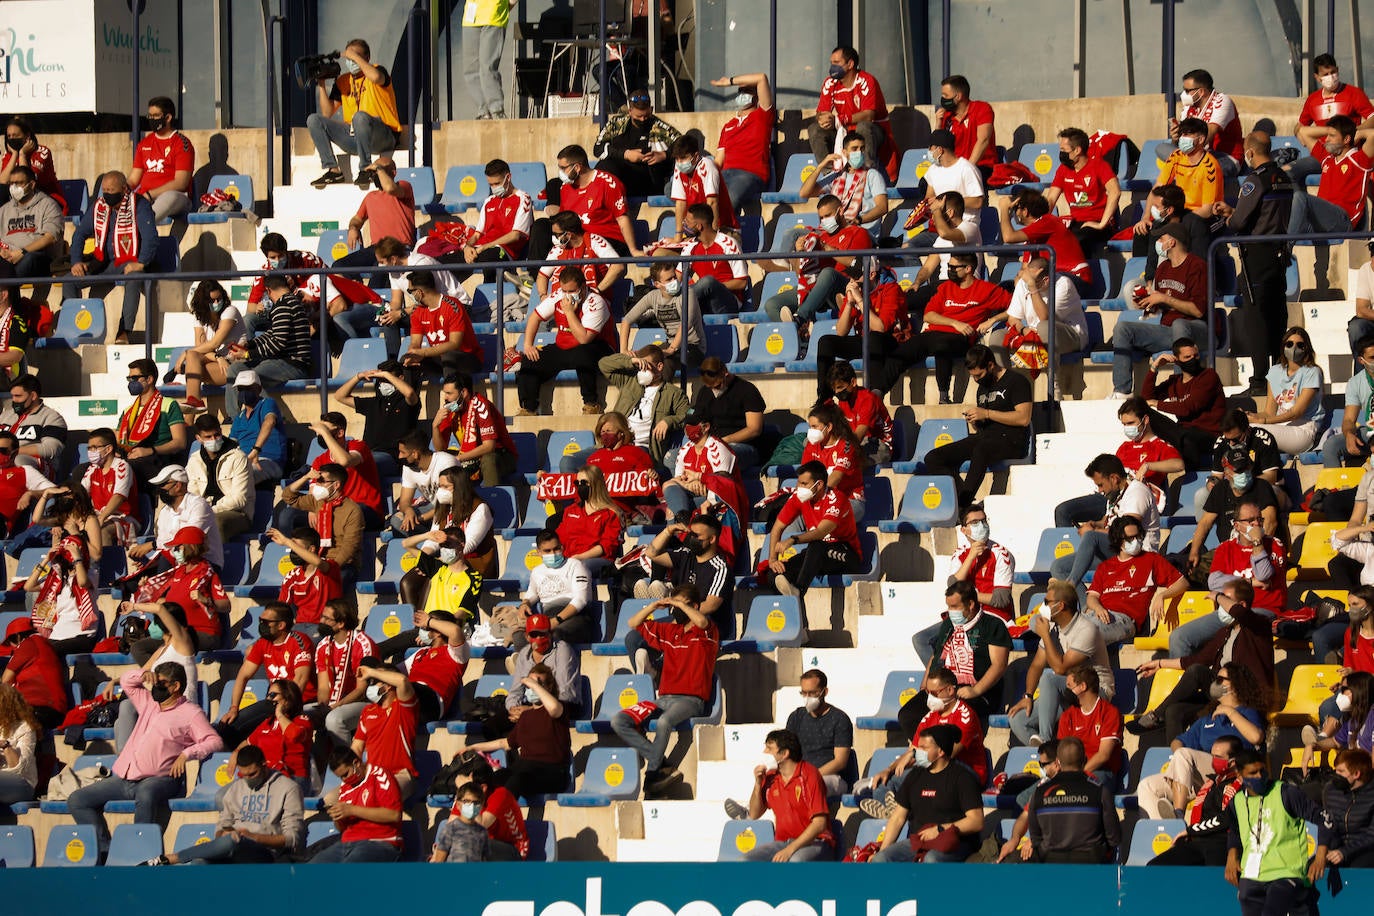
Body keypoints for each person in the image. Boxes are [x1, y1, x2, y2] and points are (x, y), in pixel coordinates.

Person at [67, 662, 222, 857]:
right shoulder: (148, 703)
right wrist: (143, 675)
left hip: (161, 779)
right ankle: (105, 850)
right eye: (154, 682)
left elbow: (214, 741)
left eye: (160, 683)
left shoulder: (191, 713)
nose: (155, 686)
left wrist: (187, 754)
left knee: (145, 792)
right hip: (126, 778)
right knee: (77, 800)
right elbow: (126, 682)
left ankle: (140, 852)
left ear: (175, 686)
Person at [611, 585, 718, 796]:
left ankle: (652, 776)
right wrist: (653, 606)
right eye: (673, 605)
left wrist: (681, 605)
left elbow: (701, 621)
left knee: (664, 721)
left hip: (691, 699)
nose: (675, 609)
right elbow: (633, 623)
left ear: (694, 606)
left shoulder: (707, 631)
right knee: (619, 721)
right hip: (663, 698)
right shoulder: (671, 631)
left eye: (680, 604)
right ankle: (662, 764)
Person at [1135, 587, 1274, 740]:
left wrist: (1218, 596)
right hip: (1221, 692)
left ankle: (1156, 716)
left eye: (1225, 601)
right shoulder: (1225, 632)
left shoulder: (1259, 626)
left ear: (1242, 605)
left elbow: (1240, 613)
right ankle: (1178, 753)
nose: (1220, 607)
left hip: (1246, 694)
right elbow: (1197, 659)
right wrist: (1160, 663)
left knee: (1197, 671)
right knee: (1174, 711)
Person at [1218, 133, 1295, 390]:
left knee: (1257, 319)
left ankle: (1260, 379)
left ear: (1250, 151)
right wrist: (1235, 212)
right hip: (1279, 253)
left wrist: (1230, 217)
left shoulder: (1255, 180)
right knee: (1277, 316)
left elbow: (1240, 222)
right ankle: (1279, 373)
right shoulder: (1282, 177)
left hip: (1258, 255)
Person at [145, 744, 304, 865]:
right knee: (200, 863)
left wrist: (253, 837)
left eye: (252, 774)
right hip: (233, 849)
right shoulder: (237, 787)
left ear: (264, 764)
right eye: (244, 775)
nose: (248, 779)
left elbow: (292, 839)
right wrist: (223, 833)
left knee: (234, 840)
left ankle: (172, 858)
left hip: (266, 853)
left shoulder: (288, 788)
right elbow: (222, 826)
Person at [888, 254, 1012, 405]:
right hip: (934, 334)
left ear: (968, 269)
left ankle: (943, 397)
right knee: (898, 353)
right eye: (948, 266)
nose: (950, 270)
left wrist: (992, 320)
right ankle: (877, 392)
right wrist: (954, 323)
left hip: (960, 338)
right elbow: (928, 315)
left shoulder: (985, 289)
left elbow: (1016, 306)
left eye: (953, 267)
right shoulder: (945, 287)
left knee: (942, 346)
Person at [866, 666, 988, 818]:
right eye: (928, 693)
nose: (930, 698)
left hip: (964, 772)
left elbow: (947, 754)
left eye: (934, 693)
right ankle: (890, 817)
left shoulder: (965, 716)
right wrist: (889, 769)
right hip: (933, 768)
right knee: (884, 782)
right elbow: (912, 751)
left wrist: (914, 756)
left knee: (915, 780)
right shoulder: (930, 717)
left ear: (950, 690)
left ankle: (901, 815)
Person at [1007, 579, 1114, 749]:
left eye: (1047, 602)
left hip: (1095, 690)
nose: (1043, 607)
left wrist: (1045, 635)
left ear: (1061, 605)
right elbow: (1036, 665)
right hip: (1068, 690)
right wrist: (1028, 696)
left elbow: (1060, 668)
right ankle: (1050, 756)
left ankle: (1045, 741)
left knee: (1049, 679)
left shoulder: (1087, 629)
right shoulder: (1052, 628)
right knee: (1017, 718)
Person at [1224, 749, 1331, 915]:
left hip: (1286, 872)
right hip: (1252, 873)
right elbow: (1235, 831)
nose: (1260, 776)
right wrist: (1232, 857)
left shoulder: (1286, 793)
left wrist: (1320, 856)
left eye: (1262, 770)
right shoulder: (1236, 801)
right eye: (1253, 773)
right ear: (1239, 775)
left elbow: (1325, 820)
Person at [900, 581, 1011, 736]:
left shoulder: (992, 625)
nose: (950, 611)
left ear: (970, 604)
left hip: (974, 691)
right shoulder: (948, 624)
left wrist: (975, 690)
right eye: (948, 606)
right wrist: (925, 684)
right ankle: (926, 748)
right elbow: (936, 655)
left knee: (951, 720)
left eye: (954, 607)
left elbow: (999, 665)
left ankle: (944, 750)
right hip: (940, 688)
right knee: (908, 715)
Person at [1111, 224, 1210, 396]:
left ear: (1172, 242)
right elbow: (1164, 304)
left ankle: (1182, 389)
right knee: (1123, 328)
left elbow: (1198, 311)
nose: (1158, 243)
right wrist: (1148, 304)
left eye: (1161, 239)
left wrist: (1164, 298)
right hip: (1169, 330)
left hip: (1198, 330)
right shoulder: (1163, 268)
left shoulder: (1197, 265)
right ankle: (1122, 391)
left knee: (1180, 324)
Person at [925, 345, 1033, 503]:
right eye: (973, 376)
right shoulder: (982, 388)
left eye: (979, 375)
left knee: (981, 449)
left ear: (991, 365)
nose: (976, 380)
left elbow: (1024, 418)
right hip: (985, 437)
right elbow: (984, 425)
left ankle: (964, 502)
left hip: (1011, 440)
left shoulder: (1016, 381)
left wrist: (987, 413)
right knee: (934, 458)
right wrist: (976, 421)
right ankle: (961, 500)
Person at [1178, 499, 1287, 652]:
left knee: (1238, 635)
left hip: (1263, 611)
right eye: (1250, 520)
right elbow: (1214, 582)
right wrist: (1250, 582)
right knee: (1180, 637)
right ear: (1237, 526)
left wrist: (1257, 542)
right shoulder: (1225, 548)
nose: (1256, 524)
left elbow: (1263, 575)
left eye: (1259, 519)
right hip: (1229, 611)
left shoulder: (1274, 544)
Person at [1055, 398, 1183, 527]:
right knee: (1063, 511)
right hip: (1109, 496)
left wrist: (1148, 466)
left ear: (1145, 420)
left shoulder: (1159, 446)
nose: (1127, 428)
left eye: (1131, 423)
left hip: (1136, 498)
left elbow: (1179, 464)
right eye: (1124, 424)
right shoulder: (1124, 447)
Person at [63, 171, 157, 344]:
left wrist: (141, 262)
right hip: (102, 263)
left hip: (130, 261)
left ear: (124, 189)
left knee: (135, 277)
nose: (107, 194)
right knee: (69, 280)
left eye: (111, 190)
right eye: (104, 190)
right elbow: (80, 234)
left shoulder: (139, 204)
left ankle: (124, 331)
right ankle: (76, 330)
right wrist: (76, 261)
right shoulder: (99, 206)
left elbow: (150, 237)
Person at [870, 724, 984, 863]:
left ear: (940, 751)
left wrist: (941, 829)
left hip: (954, 842)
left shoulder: (963, 778)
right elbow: (898, 818)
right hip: (919, 841)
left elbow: (976, 821)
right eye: (918, 748)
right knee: (881, 859)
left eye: (924, 748)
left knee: (931, 859)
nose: (917, 752)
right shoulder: (915, 775)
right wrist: (882, 850)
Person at [1050, 453, 1162, 594]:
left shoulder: (1137, 492)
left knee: (1091, 537)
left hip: (1138, 553)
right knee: (1059, 567)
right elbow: (1109, 519)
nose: (1100, 490)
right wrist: (1095, 524)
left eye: (1100, 485)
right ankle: (1085, 605)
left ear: (1114, 478)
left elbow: (1126, 532)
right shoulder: (1116, 493)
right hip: (1116, 550)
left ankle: (1069, 586)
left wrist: (1093, 532)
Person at [516, 267, 615, 417]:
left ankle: (591, 404)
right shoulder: (558, 295)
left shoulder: (595, 302)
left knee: (583, 354)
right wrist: (528, 345)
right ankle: (528, 409)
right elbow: (535, 317)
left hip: (598, 347)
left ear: (582, 287)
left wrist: (569, 312)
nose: (567, 295)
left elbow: (584, 338)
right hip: (566, 346)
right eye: (565, 291)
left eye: (572, 291)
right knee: (530, 360)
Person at [466, 664, 572, 800]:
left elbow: (554, 708)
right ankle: (481, 811)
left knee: (518, 779)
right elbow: (505, 743)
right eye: (529, 686)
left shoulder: (559, 708)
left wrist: (533, 684)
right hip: (525, 768)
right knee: (491, 779)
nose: (531, 688)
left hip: (552, 771)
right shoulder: (526, 716)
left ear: (548, 687)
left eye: (537, 684)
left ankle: (501, 811)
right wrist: (473, 747)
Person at [763, 195, 870, 331]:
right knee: (772, 304)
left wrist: (826, 248)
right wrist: (800, 252)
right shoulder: (821, 236)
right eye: (821, 218)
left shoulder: (858, 233)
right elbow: (801, 272)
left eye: (828, 215)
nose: (824, 221)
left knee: (828, 273)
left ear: (840, 211)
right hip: (817, 287)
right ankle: (797, 334)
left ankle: (800, 318)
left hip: (844, 286)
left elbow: (856, 264)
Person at [217, 600, 315, 748]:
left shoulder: (299, 642)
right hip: (274, 702)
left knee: (235, 729)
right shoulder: (263, 643)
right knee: (226, 727)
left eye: (265, 622)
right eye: (260, 620)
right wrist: (234, 708)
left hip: (299, 701)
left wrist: (284, 707)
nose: (261, 625)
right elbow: (243, 676)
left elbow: (300, 681)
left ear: (281, 625)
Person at [307, 38, 401, 187]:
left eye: (355, 56)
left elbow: (376, 77)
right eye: (349, 58)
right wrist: (321, 84)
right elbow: (326, 113)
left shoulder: (378, 70)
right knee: (314, 120)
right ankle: (333, 170)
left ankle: (365, 169)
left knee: (360, 117)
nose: (351, 61)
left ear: (367, 58)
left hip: (384, 135)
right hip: (355, 138)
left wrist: (354, 57)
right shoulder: (343, 81)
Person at [815, 263, 908, 408]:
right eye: (850, 277)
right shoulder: (856, 290)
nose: (852, 281)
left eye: (856, 277)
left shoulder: (891, 289)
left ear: (872, 275)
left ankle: (873, 397)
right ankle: (824, 399)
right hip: (867, 339)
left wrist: (860, 301)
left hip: (892, 340)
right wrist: (849, 304)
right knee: (826, 342)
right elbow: (841, 331)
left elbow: (881, 328)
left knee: (874, 338)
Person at [765, 460, 862, 599]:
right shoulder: (798, 497)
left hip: (846, 554)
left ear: (819, 484)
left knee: (817, 545)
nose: (798, 487)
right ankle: (792, 605)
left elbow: (821, 532)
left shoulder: (836, 499)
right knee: (775, 573)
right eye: (798, 483)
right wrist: (773, 559)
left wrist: (793, 539)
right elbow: (777, 527)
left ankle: (799, 591)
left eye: (804, 484)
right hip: (817, 556)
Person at [1085, 515, 1188, 645]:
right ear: (1117, 540)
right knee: (1068, 630)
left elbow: (1182, 583)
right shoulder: (1105, 567)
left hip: (1125, 620)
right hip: (1100, 616)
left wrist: (1162, 595)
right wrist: (1098, 608)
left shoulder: (1151, 559)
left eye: (1138, 536)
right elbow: (1092, 597)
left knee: (1087, 635)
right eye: (1130, 538)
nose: (1136, 541)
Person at [739, 729, 838, 862]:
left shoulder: (809, 775)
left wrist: (790, 849)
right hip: (782, 843)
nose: (765, 752)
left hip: (817, 842)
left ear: (785, 753)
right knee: (745, 861)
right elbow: (754, 814)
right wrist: (757, 784)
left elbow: (820, 824)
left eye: (769, 749)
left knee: (795, 861)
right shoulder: (770, 777)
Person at [1145, 736, 1244, 866]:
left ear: (1232, 762)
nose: (1213, 760)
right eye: (1212, 755)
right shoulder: (1211, 783)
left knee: (1209, 871)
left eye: (1218, 757)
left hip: (1223, 843)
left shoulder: (1242, 786)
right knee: (1155, 866)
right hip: (1198, 841)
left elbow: (1225, 819)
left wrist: (1191, 830)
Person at [629, 515, 734, 634]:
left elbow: (710, 606)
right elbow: (651, 553)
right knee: (635, 636)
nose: (692, 539)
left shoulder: (720, 568)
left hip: (707, 627)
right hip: (680, 620)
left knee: (661, 635)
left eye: (697, 536)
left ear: (712, 539)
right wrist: (668, 531)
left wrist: (678, 620)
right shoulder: (686, 555)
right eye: (691, 534)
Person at [532, 144, 638, 259]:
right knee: (541, 226)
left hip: (606, 239)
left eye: (563, 168)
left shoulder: (608, 183)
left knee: (584, 242)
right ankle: (534, 270)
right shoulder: (565, 188)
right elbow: (563, 221)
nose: (560, 172)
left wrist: (633, 250)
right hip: (576, 239)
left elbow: (622, 218)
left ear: (577, 167)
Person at [224, 277, 314, 414]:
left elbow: (277, 343)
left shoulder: (283, 306)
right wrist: (249, 344)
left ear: (268, 290)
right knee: (235, 369)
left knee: (250, 379)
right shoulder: (290, 302)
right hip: (282, 362)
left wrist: (248, 354)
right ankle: (234, 418)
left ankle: (273, 417)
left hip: (293, 364)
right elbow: (273, 333)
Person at [982, 256, 1088, 370]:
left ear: (1046, 280)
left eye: (1031, 281)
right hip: (1032, 334)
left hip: (1069, 336)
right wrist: (1024, 330)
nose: (1026, 284)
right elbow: (1013, 318)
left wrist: (1033, 287)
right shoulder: (1024, 282)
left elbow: (1044, 318)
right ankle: (1006, 379)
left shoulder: (1063, 285)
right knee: (997, 337)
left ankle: (1053, 379)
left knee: (1044, 328)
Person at [1026, 737, 1120, 864]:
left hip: (1051, 864)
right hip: (1092, 866)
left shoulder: (1039, 792)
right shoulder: (1100, 791)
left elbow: (1035, 838)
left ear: (1058, 762)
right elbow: (1114, 838)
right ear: (1085, 760)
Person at [280, 413, 382, 529]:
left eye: (325, 429)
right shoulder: (319, 460)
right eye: (320, 431)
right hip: (332, 509)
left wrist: (325, 434)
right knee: (288, 515)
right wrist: (312, 509)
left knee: (340, 514)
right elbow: (314, 492)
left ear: (340, 433)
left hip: (364, 509)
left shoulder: (358, 446)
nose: (320, 434)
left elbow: (345, 461)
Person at [809, 46, 896, 180]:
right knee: (815, 129)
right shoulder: (830, 82)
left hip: (873, 133)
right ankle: (830, 176)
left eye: (836, 63)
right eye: (831, 63)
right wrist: (822, 119)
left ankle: (866, 174)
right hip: (844, 132)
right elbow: (821, 112)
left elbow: (869, 115)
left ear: (850, 64)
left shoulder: (866, 80)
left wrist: (840, 119)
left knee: (863, 126)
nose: (832, 67)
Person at [1141, 337, 1227, 470]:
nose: (1193, 359)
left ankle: (1191, 474)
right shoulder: (1174, 381)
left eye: (1196, 355)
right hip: (1182, 432)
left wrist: (1156, 403)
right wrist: (1154, 368)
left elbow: (1188, 408)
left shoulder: (1208, 376)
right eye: (1187, 357)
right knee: (1142, 411)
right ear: (1177, 360)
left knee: (1186, 438)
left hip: (1209, 435)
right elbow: (1146, 398)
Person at [597, 345, 688, 470]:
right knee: (573, 461)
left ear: (659, 367)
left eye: (646, 365)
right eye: (640, 366)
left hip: (642, 448)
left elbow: (688, 414)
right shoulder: (629, 382)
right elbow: (603, 364)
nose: (642, 370)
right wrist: (631, 361)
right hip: (614, 443)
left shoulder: (673, 393)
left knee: (621, 462)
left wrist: (669, 421)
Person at [311, 747, 403, 863]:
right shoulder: (345, 787)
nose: (344, 779)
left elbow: (394, 814)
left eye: (345, 774)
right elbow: (341, 828)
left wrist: (352, 810)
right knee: (311, 869)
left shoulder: (379, 776)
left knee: (348, 869)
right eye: (340, 777)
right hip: (347, 843)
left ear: (356, 763)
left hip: (379, 842)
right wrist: (337, 816)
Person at [277, 463, 363, 586]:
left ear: (336, 485)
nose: (317, 485)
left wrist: (328, 568)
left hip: (342, 565)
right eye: (317, 481)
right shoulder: (318, 501)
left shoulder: (352, 510)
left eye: (322, 481)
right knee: (294, 584)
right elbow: (288, 496)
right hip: (317, 561)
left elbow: (349, 547)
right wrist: (306, 477)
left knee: (325, 585)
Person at [225, 679, 313, 797]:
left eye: (272, 695)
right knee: (223, 796)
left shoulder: (301, 720)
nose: (268, 699)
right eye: (267, 696)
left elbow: (294, 735)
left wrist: (280, 714)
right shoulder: (267, 722)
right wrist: (236, 752)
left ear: (287, 698)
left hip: (293, 778)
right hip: (266, 776)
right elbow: (248, 742)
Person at [795, 132, 889, 240]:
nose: (859, 152)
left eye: (862, 149)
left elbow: (882, 207)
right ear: (844, 152)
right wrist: (820, 166)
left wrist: (859, 220)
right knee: (794, 234)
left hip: (860, 232)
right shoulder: (837, 176)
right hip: (837, 231)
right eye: (854, 149)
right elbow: (804, 193)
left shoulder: (872, 175)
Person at [333, 359, 420, 477]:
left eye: (386, 380)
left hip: (392, 457)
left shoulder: (406, 403)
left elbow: (409, 393)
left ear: (400, 378)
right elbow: (339, 396)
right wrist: (358, 377)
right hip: (368, 453)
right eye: (380, 381)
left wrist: (386, 375)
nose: (382, 384)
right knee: (338, 466)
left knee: (359, 463)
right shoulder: (374, 403)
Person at [1247, 327, 1325, 456]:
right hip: (1279, 426)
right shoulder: (1275, 371)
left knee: (1254, 430)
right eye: (1289, 344)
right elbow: (1269, 412)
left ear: (1307, 348)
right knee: (1239, 426)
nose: (1294, 348)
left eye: (1300, 345)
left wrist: (1263, 422)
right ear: (1283, 346)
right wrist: (1251, 417)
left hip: (1303, 429)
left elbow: (1296, 413)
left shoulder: (1312, 372)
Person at [23, 521, 98, 655]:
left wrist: (77, 558)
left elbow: (82, 582)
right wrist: (46, 560)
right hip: (58, 635)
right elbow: (29, 586)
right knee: (28, 650)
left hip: (81, 635)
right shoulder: (58, 580)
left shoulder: (91, 573)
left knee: (45, 653)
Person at [620, 260, 706, 376]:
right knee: (638, 358)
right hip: (670, 344)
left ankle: (663, 388)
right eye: (669, 279)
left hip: (693, 347)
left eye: (674, 277)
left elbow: (686, 323)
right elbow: (626, 320)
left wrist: (672, 349)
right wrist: (624, 350)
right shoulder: (653, 296)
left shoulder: (687, 293)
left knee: (665, 361)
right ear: (657, 284)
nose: (674, 281)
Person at [996, 187, 1092, 291]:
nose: (1014, 212)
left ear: (1025, 211)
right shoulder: (1030, 238)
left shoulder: (1048, 221)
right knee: (1004, 289)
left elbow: (1008, 237)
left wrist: (1004, 209)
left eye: (1016, 208)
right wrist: (1018, 283)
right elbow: (1024, 269)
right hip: (1052, 279)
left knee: (1038, 283)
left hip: (1074, 278)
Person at [430, 374, 518, 486]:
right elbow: (440, 449)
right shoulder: (451, 408)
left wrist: (459, 458)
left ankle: (492, 494)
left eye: (449, 393)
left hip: (501, 455)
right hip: (472, 456)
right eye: (445, 393)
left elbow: (489, 446)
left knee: (488, 460)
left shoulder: (481, 405)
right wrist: (435, 426)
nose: (445, 398)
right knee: (440, 458)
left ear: (464, 393)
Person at [1045, 127, 1122, 254]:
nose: (1061, 153)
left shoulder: (1099, 165)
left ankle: (1080, 267)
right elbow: (1051, 199)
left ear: (1077, 150)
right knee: (1051, 241)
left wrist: (1101, 224)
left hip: (1097, 222)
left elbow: (1115, 192)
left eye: (1064, 150)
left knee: (1076, 241)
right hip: (1075, 223)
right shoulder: (1063, 169)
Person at [311, 599, 377, 748]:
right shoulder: (323, 645)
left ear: (341, 623)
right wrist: (322, 707)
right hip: (334, 702)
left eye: (327, 618)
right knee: (300, 714)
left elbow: (361, 690)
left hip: (364, 702)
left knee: (334, 719)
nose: (321, 621)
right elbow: (323, 687)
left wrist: (334, 707)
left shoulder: (362, 644)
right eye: (322, 617)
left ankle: (346, 759)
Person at [591, 90, 682, 198]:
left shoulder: (660, 127)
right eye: (638, 117)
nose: (642, 120)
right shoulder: (616, 124)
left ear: (651, 109)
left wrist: (664, 155)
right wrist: (626, 154)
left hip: (647, 178)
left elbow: (684, 144)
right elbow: (598, 148)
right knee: (604, 167)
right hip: (619, 174)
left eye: (646, 116)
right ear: (630, 111)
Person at [174, 280, 248, 412]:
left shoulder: (230, 311)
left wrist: (185, 353)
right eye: (212, 300)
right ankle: (194, 403)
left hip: (234, 365)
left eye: (219, 299)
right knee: (193, 358)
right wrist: (218, 358)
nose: (217, 303)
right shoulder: (199, 317)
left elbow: (214, 343)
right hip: (218, 362)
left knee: (192, 365)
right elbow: (201, 350)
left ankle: (193, 408)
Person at [1293, 115, 1374, 233]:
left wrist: (1358, 133)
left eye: (1332, 136)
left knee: (1300, 197)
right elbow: (1303, 132)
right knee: (1289, 203)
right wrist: (1329, 130)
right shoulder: (1327, 158)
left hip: (1343, 220)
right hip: (1323, 218)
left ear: (1346, 139)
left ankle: (1288, 243)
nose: (1326, 139)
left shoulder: (1360, 159)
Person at [116, 357, 188, 488]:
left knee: (127, 468)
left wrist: (150, 450)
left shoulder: (168, 404)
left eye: (135, 378)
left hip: (158, 458)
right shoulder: (128, 411)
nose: (131, 382)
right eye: (129, 379)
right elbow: (118, 439)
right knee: (84, 469)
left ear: (149, 379)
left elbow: (180, 442)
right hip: (131, 457)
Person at [906, 129, 985, 248]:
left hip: (962, 227)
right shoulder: (933, 170)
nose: (929, 151)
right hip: (937, 227)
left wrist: (945, 202)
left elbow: (978, 201)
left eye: (931, 148)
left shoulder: (967, 169)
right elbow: (929, 198)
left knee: (940, 248)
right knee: (907, 247)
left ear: (940, 150)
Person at [782, 670, 855, 797]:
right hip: (800, 775)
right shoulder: (796, 717)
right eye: (804, 693)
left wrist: (810, 775)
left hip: (831, 777)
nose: (807, 697)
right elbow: (787, 751)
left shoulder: (839, 719)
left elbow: (840, 761)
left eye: (812, 693)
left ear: (824, 692)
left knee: (809, 786)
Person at [400, 270, 484, 382]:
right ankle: (410, 394)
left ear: (419, 292)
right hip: (440, 359)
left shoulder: (452, 306)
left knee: (448, 356)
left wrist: (423, 352)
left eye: (410, 291)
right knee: (406, 361)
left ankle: (452, 393)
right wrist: (413, 353)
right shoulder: (417, 312)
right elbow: (415, 342)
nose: (411, 294)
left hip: (467, 358)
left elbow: (454, 344)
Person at [513, 531, 593, 647]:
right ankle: (525, 658)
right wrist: (525, 604)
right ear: (539, 552)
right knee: (520, 637)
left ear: (562, 547)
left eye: (556, 549)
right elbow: (532, 592)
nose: (553, 554)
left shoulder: (575, 565)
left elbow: (581, 600)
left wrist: (556, 620)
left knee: (556, 635)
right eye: (547, 551)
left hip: (575, 617)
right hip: (547, 617)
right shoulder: (537, 571)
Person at [707, 72, 775, 207]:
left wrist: (729, 82)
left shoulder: (762, 117)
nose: (742, 95)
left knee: (729, 199)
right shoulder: (728, 126)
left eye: (747, 91)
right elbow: (719, 161)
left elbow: (761, 78)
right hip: (725, 174)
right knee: (697, 197)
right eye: (740, 91)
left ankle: (723, 221)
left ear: (756, 96)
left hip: (750, 175)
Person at [138, 466, 225, 570]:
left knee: (165, 561)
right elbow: (164, 545)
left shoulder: (198, 505)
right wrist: (151, 561)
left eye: (163, 485)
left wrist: (152, 545)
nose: (160, 489)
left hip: (204, 564)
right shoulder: (165, 512)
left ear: (178, 485)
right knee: (140, 576)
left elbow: (189, 542)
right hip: (176, 563)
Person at [689, 357, 765, 470]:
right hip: (711, 443)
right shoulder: (705, 392)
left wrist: (723, 441)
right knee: (675, 456)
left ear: (725, 373)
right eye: (710, 387)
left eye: (717, 386)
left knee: (719, 454)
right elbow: (697, 418)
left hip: (743, 446)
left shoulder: (747, 390)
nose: (714, 390)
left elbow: (754, 429)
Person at [186, 414, 253, 541]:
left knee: (216, 523)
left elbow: (239, 499)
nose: (214, 439)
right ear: (198, 438)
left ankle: (217, 555)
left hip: (238, 513)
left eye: (216, 435)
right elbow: (192, 494)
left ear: (221, 432)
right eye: (208, 437)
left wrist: (209, 511)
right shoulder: (194, 460)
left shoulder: (238, 457)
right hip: (204, 511)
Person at [674, 204, 748, 317]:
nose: (684, 224)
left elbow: (742, 282)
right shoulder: (690, 246)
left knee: (708, 282)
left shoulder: (729, 244)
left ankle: (676, 306)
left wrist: (713, 286)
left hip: (728, 302)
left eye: (688, 222)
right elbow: (678, 277)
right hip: (702, 300)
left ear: (699, 226)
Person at [536, 210, 625, 302]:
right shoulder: (558, 249)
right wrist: (543, 296)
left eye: (557, 234)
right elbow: (542, 275)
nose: (554, 238)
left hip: (591, 300)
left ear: (569, 234)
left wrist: (597, 290)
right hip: (562, 301)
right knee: (539, 311)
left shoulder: (594, 241)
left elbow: (618, 266)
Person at [129, 96, 194, 221]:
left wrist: (150, 195)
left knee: (169, 197)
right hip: (145, 198)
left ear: (168, 118)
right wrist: (120, 190)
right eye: (150, 116)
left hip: (176, 197)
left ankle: (139, 225)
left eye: (156, 116)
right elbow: (133, 179)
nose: (152, 119)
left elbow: (181, 183)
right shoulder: (144, 143)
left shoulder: (182, 144)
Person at [506, 614, 583, 719]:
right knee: (496, 722)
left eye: (542, 634)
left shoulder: (562, 650)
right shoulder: (524, 654)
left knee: (533, 719)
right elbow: (515, 691)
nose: (538, 638)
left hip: (562, 706)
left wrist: (532, 710)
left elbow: (565, 692)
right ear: (527, 637)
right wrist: (514, 709)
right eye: (534, 635)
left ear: (550, 634)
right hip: (533, 704)